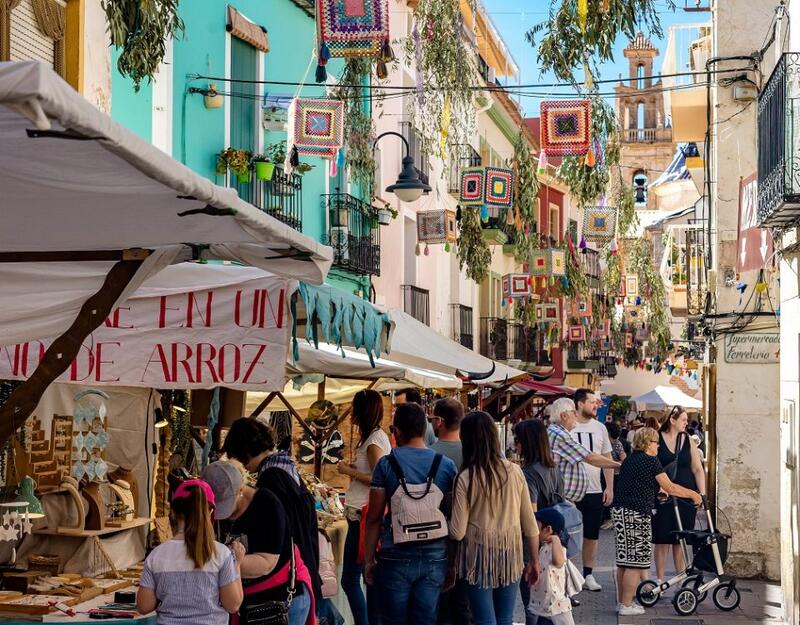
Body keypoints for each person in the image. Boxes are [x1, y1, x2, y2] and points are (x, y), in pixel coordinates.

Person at [364, 402, 458, 625]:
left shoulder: (386, 465)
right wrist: (452, 562)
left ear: (396, 431)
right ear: (425, 429)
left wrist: (369, 560)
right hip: (436, 555)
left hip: (395, 553)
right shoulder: (445, 465)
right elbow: (453, 517)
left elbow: (374, 518)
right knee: (426, 620)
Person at [450, 411, 540, 625]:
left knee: (484, 620)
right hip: (511, 554)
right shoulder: (515, 471)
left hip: (477, 556)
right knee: (505, 619)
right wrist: (534, 561)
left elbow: (457, 531)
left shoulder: (465, 477)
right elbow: (530, 524)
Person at [201, 461, 316, 625]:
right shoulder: (207, 510)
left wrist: (222, 561)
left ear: (241, 489)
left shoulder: (268, 505)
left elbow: (266, 563)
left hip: (280, 602)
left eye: (226, 505)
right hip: (244, 602)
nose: (222, 515)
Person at [223, 418, 323, 606]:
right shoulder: (285, 467)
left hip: (287, 584)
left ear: (244, 452)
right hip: (303, 574)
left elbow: (275, 538)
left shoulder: (271, 479)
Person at [612, 427, 702, 616]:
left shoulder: (629, 460)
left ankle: (622, 602)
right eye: (655, 442)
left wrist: (656, 493)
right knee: (636, 563)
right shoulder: (651, 461)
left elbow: (638, 484)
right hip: (637, 514)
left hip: (620, 512)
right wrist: (694, 494)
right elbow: (670, 486)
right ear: (647, 443)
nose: (658, 445)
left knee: (624, 561)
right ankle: (626, 606)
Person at [137, 479, 243, 624]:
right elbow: (233, 605)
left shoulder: (156, 556)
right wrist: (236, 565)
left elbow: (144, 606)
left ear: (173, 512)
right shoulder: (222, 554)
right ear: (210, 511)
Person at [336, 389, 391, 625]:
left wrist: (348, 471)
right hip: (362, 515)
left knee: (350, 580)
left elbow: (379, 478)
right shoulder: (375, 438)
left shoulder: (373, 442)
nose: (351, 414)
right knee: (359, 578)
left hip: (363, 516)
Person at [513, 418, 564, 623]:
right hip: (554, 543)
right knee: (548, 601)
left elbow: (531, 517)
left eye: (517, 440)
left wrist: (530, 557)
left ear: (528, 442)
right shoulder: (553, 468)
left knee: (532, 604)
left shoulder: (528, 473)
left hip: (535, 546)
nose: (515, 445)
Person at [652, 406, 707, 583]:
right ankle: (660, 580)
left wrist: (702, 494)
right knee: (662, 539)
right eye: (683, 419)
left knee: (681, 539)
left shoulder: (688, 440)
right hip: (663, 494)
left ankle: (681, 578)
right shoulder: (657, 439)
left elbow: (697, 469)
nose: (686, 423)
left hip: (686, 495)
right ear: (672, 420)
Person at [429, 398, 471, 625]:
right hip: (469, 538)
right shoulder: (473, 452)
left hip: (437, 536)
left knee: (441, 604)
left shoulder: (430, 454)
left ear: (439, 421)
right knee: (463, 604)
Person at [570, 388, 614, 592]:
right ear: (580, 404)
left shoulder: (600, 428)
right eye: (592, 402)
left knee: (591, 535)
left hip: (594, 490)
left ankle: (588, 574)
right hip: (569, 490)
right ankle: (567, 576)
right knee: (566, 534)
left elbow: (607, 459)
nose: (596, 405)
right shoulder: (567, 426)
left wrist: (610, 487)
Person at [546, 398, 620, 504]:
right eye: (573, 412)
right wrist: (621, 465)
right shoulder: (559, 434)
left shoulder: (557, 432)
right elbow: (590, 457)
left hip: (564, 498)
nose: (576, 415)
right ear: (564, 416)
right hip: (560, 499)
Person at [527, 508, 574, 625]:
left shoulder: (557, 547)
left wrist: (556, 539)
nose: (534, 529)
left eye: (537, 526)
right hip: (545, 606)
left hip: (556, 607)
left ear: (548, 529)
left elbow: (558, 561)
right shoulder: (543, 547)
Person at [430, 397, 465, 469]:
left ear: (439, 421)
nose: (431, 422)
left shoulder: (428, 454)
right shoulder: (472, 453)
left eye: (431, 419)